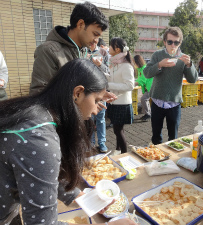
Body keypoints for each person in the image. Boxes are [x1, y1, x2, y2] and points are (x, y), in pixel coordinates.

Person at [0, 59, 137, 225]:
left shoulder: (34, 112)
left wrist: (79, 197)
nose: (95, 110)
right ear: (77, 93)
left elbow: (37, 173)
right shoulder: (39, 139)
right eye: (96, 100)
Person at [29, 1, 112, 104]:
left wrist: (95, 96)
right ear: (80, 24)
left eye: (99, 37)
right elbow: (40, 95)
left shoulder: (84, 52)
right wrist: (82, 103)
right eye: (95, 34)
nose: (96, 40)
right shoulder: (48, 51)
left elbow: (81, 88)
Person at [144, 27, 198, 145]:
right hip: (157, 101)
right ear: (165, 42)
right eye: (170, 42)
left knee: (173, 137)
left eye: (176, 42)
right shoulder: (158, 55)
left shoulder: (183, 58)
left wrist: (189, 65)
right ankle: (156, 159)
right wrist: (159, 65)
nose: (173, 45)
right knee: (156, 136)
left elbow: (193, 79)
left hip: (174, 102)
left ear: (180, 43)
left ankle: (169, 161)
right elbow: (146, 73)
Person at [106, 37, 135, 154]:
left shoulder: (126, 65)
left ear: (117, 49)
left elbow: (129, 86)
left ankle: (124, 154)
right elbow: (112, 78)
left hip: (122, 103)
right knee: (116, 130)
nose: (108, 48)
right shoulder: (115, 62)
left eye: (110, 46)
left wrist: (109, 85)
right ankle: (118, 150)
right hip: (114, 101)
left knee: (119, 130)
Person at [88, 40, 109, 152]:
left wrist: (100, 64)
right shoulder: (83, 52)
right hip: (87, 91)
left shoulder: (103, 52)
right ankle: (91, 143)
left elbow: (108, 70)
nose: (92, 42)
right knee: (89, 119)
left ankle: (102, 143)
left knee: (100, 119)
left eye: (94, 40)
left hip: (100, 90)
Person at [133, 54, 153, 122]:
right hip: (149, 87)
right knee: (144, 99)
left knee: (143, 99)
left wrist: (133, 84)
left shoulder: (143, 69)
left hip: (151, 87)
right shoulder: (141, 69)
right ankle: (147, 114)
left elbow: (142, 80)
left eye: (134, 63)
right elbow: (140, 79)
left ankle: (148, 114)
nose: (134, 64)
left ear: (137, 62)